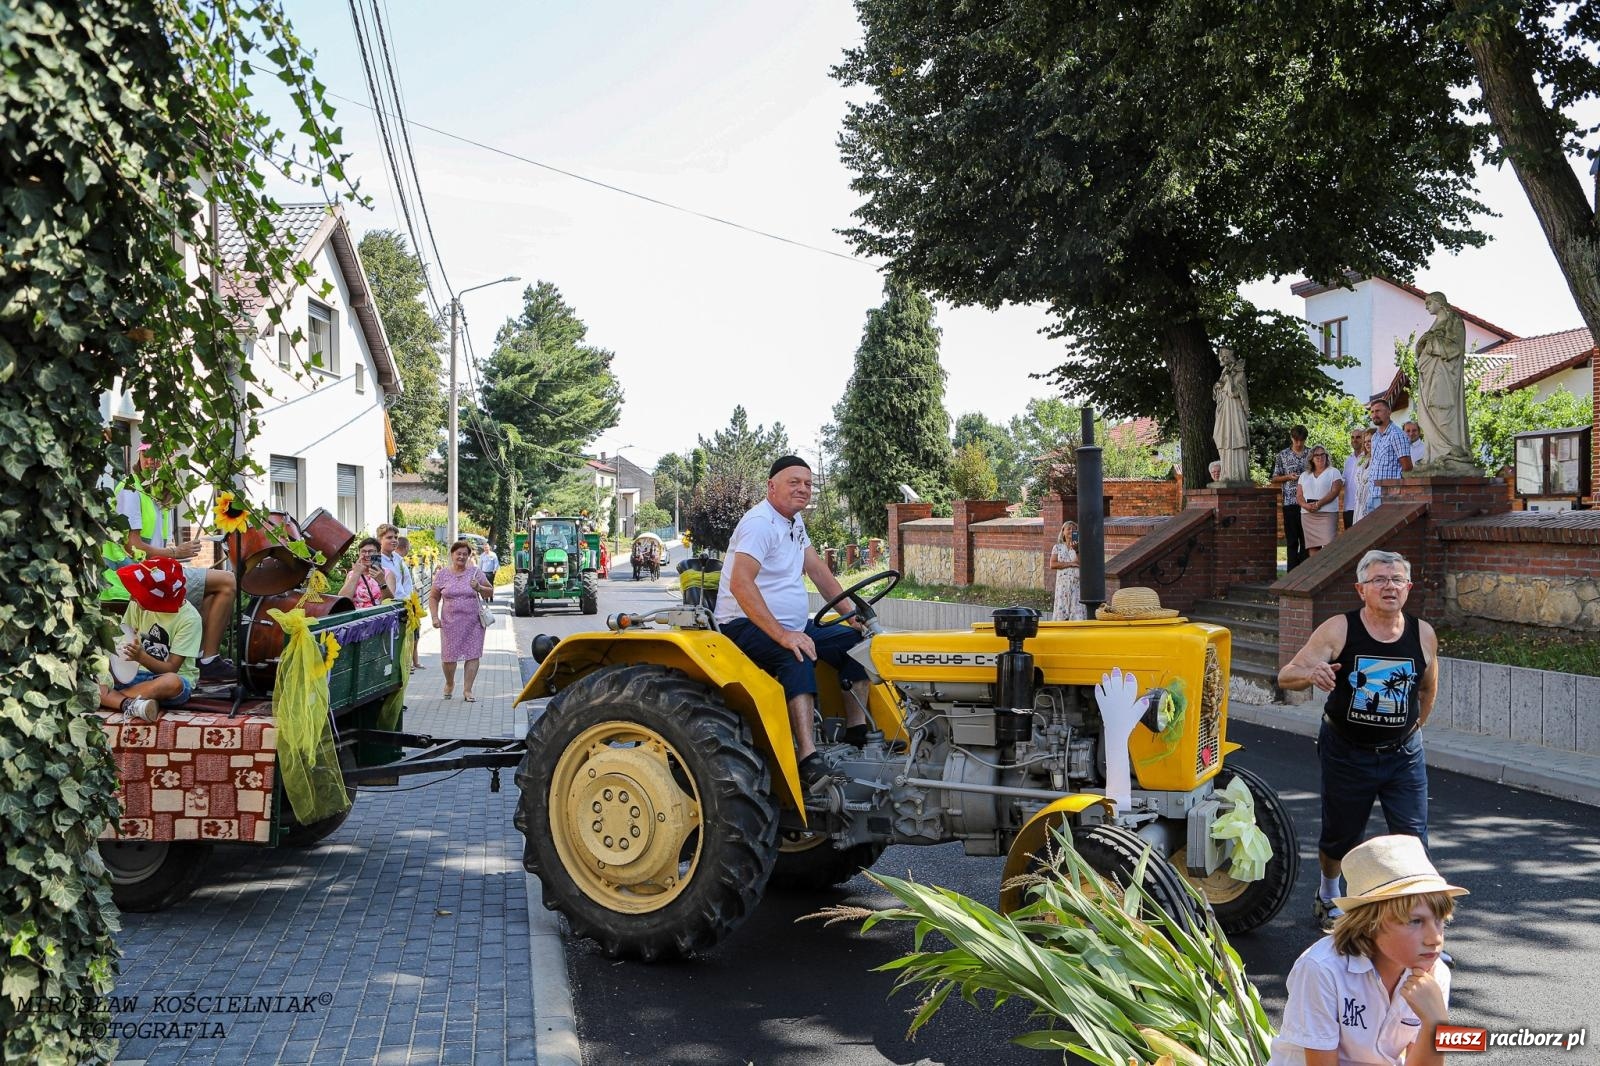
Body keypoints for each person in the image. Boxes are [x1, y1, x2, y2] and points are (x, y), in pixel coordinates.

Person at [1278, 549, 1438, 932]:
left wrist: (1414, 732)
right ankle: (1329, 894)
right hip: (1347, 751)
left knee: (1413, 839)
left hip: (1403, 755)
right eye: (1379, 580)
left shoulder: (1423, 633)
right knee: (1341, 836)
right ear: (1361, 589)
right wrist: (1311, 674)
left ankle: (1416, 924)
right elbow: (1287, 675)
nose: (1390, 586)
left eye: (1397, 579)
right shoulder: (1339, 628)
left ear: (1409, 587)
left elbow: (1428, 688)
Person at [716, 456, 873, 791]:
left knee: (856, 645)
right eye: (794, 482)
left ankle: (858, 732)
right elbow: (741, 584)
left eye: (808, 483)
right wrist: (784, 635)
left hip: (790, 624)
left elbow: (819, 572)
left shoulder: (794, 522)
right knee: (796, 653)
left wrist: (852, 615)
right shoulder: (760, 523)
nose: (803, 488)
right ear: (771, 486)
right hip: (743, 625)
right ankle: (807, 755)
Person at [1268, 834, 1463, 1066]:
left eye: (1440, 920)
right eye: (1415, 922)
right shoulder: (1322, 969)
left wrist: (1436, 1023)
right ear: (1370, 923)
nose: (1435, 938)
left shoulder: (1435, 974)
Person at [115, 444, 237, 680]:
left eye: (158, 457)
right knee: (228, 581)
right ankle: (208, 659)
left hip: (152, 573)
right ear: (138, 456)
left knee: (214, 591)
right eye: (145, 455)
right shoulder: (131, 490)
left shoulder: (151, 492)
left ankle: (200, 656)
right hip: (137, 578)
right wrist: (175, 552)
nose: (151, 461)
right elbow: (133, 546)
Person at [98, 558, 202, 722]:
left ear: (158, 600)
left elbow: (171, 669)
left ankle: (109, 699)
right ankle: (130, 704)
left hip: (165, 681)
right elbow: (123, 639)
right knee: (92, 677)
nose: (132, 597)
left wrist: (141, 657)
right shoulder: (136, 605)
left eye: (139, 593)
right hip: (133, 677)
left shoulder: (190, 619)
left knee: (172, 682)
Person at [429, 539, 493, 702]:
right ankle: (450, 683)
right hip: (450, 622)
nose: (462, 557)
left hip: (473, 622)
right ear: (452, 555)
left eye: (465, 554)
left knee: (473, 655)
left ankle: (468, 690)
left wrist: (479, 588)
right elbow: (434, 597)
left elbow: (490, 592)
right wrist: (435, 617)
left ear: (469, 556)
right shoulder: (443, 574)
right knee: (449, 657)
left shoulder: (475, 572)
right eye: (459, 553)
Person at [1412, 293, 1471, 468]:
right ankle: (1432, 454)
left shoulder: (1454, 321)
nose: (1426, 306)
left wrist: (1431, 343)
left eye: (1429, 302)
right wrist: (1423, 344)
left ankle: (1449, 451)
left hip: (1444, 375)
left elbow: (1455, 348)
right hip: (1430, 375)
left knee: (1442, 412)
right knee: (1431, 413)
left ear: (1439, 302)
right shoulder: (1435, 323)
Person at [378, 524, 422, 669]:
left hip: (406, 604)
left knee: (407, 640)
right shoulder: (378, 560)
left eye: (395, 537)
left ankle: (405, 665)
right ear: (380, 539)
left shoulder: (397, 558)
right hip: (392, 605)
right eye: (389, 537)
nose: (394, 540)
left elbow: (405, 582)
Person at [1272, 425, 1311, 570]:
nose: (1299, 443)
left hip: (1308, 503)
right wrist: (1288, 477)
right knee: (1292, 541)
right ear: (1291, 438)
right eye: (1296, 440)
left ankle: (1305, 571)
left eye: (1302, 440)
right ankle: (1292, 573)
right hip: (1290, 503)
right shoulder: (1282, 455)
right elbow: (1274, 478)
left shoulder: (1311, 454)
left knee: (1307, 540)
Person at [1212, 347, 1251, 483]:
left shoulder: (1239, 374)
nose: (1221, 359)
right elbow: (1219, 395)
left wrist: (1228, 380)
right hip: (1224, 412)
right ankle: (1226, 473)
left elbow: (1236, 393)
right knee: (1222, 437)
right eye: (1220, 357)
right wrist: (1218, 387)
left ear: (1229, 358)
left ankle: (1237, 475)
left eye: (1224, 357)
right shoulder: (1223, 374)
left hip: (1234, 412)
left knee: (1235, 439)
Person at [1296, 447, 1344, 556]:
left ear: (1326, 457)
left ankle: (1329, 571)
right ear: (1311, 458)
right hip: (1308, 515)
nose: (1320, 457)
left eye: (1323, 455)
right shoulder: (1304, 475)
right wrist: (1305, 505)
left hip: (1327, 514)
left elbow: (1335, 491)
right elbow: (1299, 495)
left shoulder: (1334, 472)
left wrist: (1319, 504)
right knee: (1312, 547)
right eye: (1316, 455)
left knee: (1330, 546)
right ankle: (1316, 572)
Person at [1366, 399, 1412, 512]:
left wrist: (1398, 491)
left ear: (1388, 412)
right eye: (1372, 412)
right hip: (1372, 493)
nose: (1374, 415)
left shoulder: (1397, 435)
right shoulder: (1375, 437)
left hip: (1389, 496)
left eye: (1378, 411)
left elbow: (1407, 467)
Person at [338, 537, 394, 608]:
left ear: (378, 553)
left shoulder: (387, 573)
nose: (367, 555)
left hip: (378, 616)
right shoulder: (352, 574)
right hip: (356, 617)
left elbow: (390, 602)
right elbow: (342, 600)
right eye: (363, 551)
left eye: (371, 551)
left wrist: (382, 582)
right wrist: (356, 574)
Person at [1049, 521, 1085, 621]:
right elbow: (1053, 564)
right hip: (1062, 584)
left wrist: (1076, 549)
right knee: (1062, 608)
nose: (1071, 531)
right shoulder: (1057, 547)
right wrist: (1070, 564)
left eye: (1074, 529)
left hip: (1076, 583)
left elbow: (1082, 564)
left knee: (1076, 608)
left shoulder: (1080, 547)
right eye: (1068, 529)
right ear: (1063, 531)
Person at [1352, 428, 1379, 524]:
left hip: (1372, 502)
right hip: (1359, 503)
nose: (1367, 444)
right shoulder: (1363, 460)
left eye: (1370, 441)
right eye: (1365, 441)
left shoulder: (1379, 460)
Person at [1341, 430, 1366, 529]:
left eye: (1358, 437)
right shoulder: (1348, 460)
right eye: (1352, 437)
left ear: (1364, 439)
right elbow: (1344, 481)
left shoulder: (1368, 458)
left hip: (1362, 507)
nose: (1355, 440)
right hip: (1348, 507)